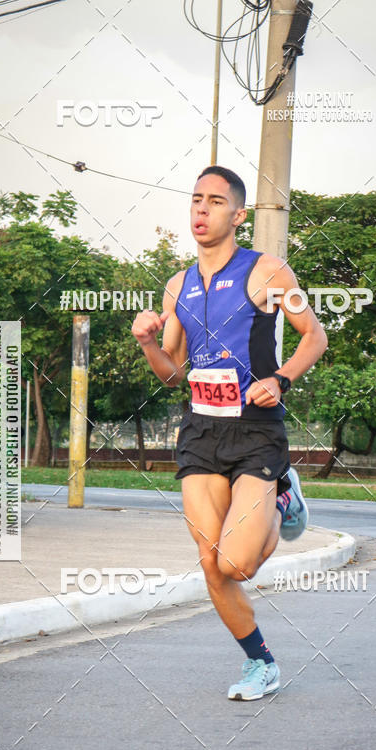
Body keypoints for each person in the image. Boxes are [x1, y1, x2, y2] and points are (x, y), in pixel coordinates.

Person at [131, 165, 327, 700]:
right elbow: (172, 371)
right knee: (210, 563)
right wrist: (150, 342)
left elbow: (314, 335)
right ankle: (260, 663)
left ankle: (283, 492)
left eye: (215, 202)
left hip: (256, 432)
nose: (201, 209)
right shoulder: (178, 286)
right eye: (196, 199)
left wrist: (282, 378)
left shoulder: (268, 273)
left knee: (235, 563)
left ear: (238, 215)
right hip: (200, 432)